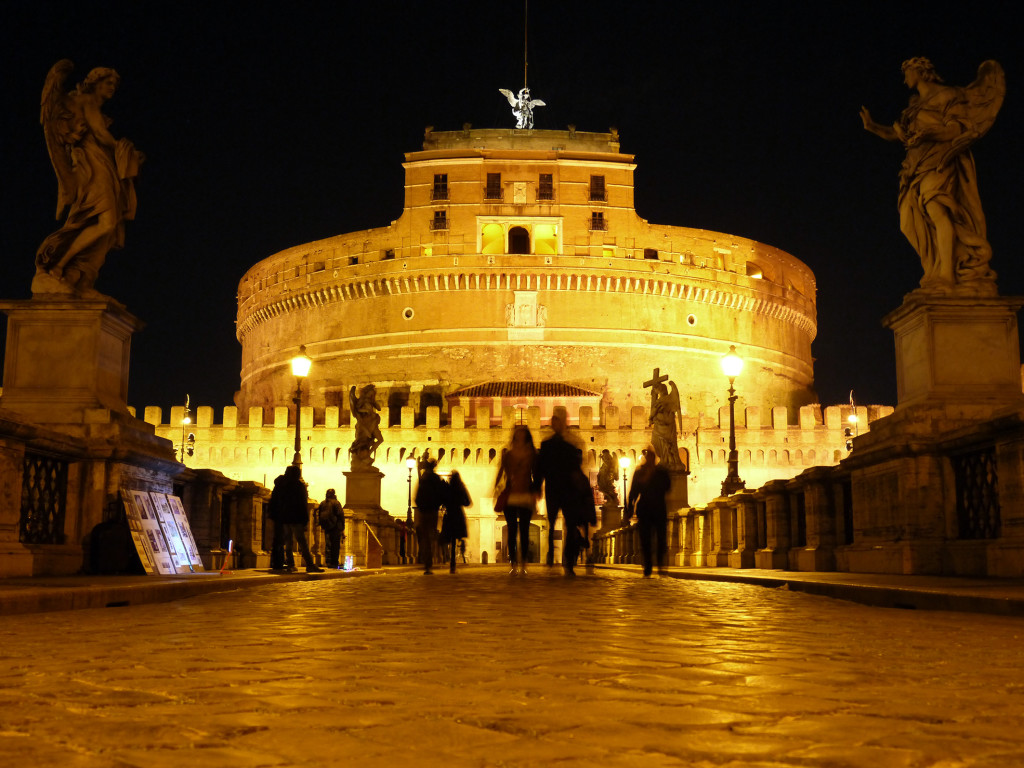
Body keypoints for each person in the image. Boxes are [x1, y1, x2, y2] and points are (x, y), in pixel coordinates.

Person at [860, 58, 1004, 294]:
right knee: (908, 222)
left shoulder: (946, 95)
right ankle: (935, 270)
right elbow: (900, 135)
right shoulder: (915, 105)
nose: (905, 78)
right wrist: (873, 126)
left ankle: (946, 275)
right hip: (914, 166)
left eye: (907, 72)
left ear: (921, 72)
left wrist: (929, 133)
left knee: (938, 211)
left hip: (939, 160)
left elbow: (956, 129)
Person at [37, 61, 144, 295]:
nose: (112, 88)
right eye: (108, 83)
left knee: (109, 225)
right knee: (105, 222)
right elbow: (99, 133)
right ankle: (57, 267)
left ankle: (82, 276)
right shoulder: (85, 102)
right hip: (92, 166)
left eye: (114, 85)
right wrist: (122, 147)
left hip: (103, 164)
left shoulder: (94, 106)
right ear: (95, 82)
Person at [536, 408, 583, 572]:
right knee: (551, 521)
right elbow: (541, 468)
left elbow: (577, 469)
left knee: (569, 524)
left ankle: (568, 560)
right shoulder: (547, 445)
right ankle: (551, 551)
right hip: (553, 490)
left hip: (568, 491)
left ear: (563, 423)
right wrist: (537, 486)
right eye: (553, 420)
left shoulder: (571, 446)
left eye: (557, 420)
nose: (553, 423)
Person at [495, 425, 539, 575]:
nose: (519, 438)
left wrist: (536, 491)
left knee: (525, 530)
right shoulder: (508, 455)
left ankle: (524, 562)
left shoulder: (531, 455)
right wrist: (496, 487)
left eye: (522, 435)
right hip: (511, 496)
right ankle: (513, 562)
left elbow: (536, 475)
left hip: (526, 494)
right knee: (512, 530)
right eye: (517, 435)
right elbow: (501, 472)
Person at [625, 447, 672, 577]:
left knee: (660, 539)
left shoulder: (660, 472)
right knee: (646, 539)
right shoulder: (642, 472)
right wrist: (630, 506)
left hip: (657, 508)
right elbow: (634, 491)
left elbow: (667, 486)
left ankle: (660, 565)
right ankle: (649, 566)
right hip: (647, 509)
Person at [268, 465, 323, 573]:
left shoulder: (280, 484)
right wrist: (305, 520)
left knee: (288, 541)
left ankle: (290, 564)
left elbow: (274, 500)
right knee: (301, 541)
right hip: (296, 516)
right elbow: (302, 504)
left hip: (283, 517)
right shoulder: (298, 486)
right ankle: (309, 564)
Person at [414, 459, 447, 574]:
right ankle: (429, 562)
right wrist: (437, 505)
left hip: (424, 511)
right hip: (433, 511)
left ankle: (427, 563)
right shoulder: (436, 479)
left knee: (425, 538)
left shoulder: (423, 479)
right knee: (431, 536)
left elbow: (417, 496)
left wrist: (421, 506)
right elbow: (441, 494)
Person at [441, 471, 471, 573]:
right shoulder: (460, 488)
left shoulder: (447, 488)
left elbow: (442, 500)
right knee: (455, 539)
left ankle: (451, 563)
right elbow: (467, 502)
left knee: (449, 539)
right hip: (458, 515)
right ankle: (453, 564)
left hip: (449, 515)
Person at [317, 488, 345, 568]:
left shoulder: (323, 503)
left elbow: (319, 514)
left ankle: (328, 561)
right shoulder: (336, 503)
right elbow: (340, 515)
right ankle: (334, 563)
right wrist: (342, 528)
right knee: (335, 545)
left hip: (326, 526)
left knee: (328, 544)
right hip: (336, 526)